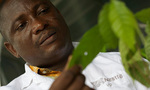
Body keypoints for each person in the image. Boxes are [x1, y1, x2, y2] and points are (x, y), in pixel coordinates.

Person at [0, 0, 149, 90]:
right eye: (21, 26)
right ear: (12, 49)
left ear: (59, 13)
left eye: (43, 11)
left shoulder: (124, 64)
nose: (39, 24)